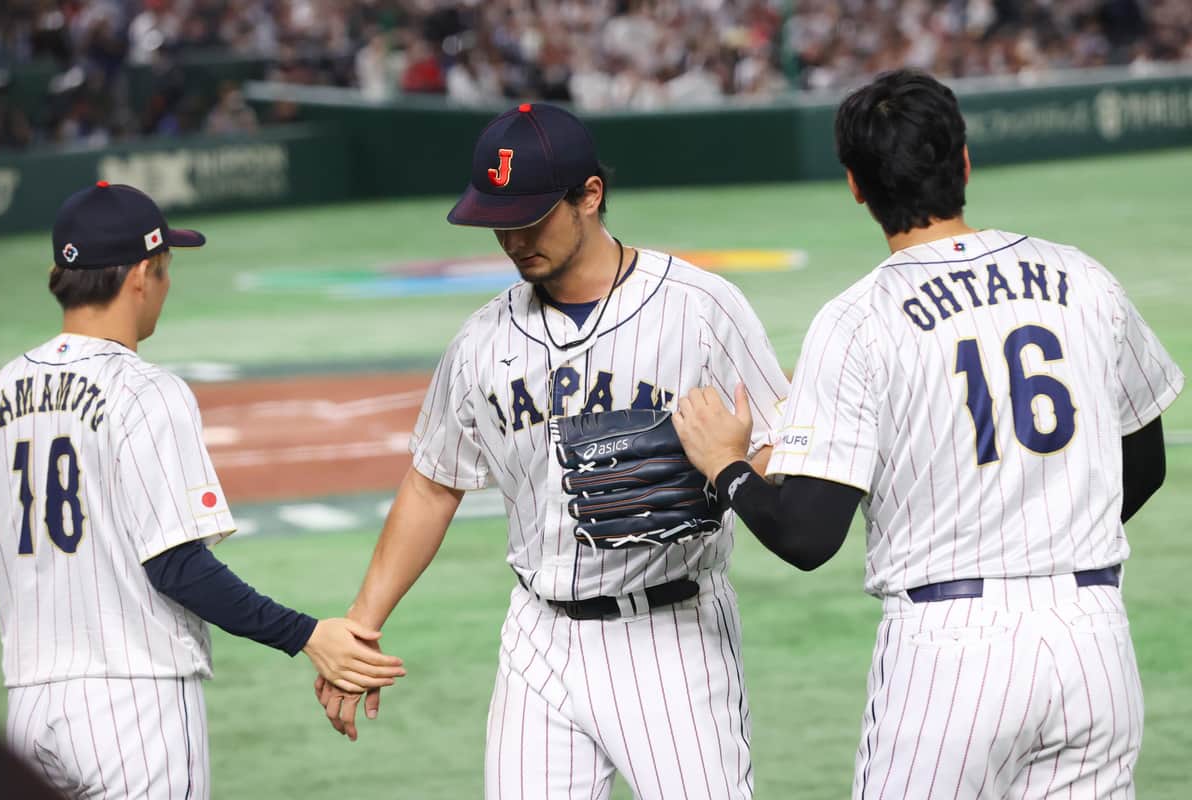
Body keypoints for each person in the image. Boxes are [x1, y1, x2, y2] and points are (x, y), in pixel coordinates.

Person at [670, 68, 1183, 798]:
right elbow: (1148, 462)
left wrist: (727, 466)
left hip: (951, 650)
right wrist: (1043, 530)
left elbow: (808, 537)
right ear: (964, 161)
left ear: (856, 185)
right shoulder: (1083, 278)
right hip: (1092, 633)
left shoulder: (860, 320)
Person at [315, 102, 789, 799]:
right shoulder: (482, 340)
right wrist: (362, 622)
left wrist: (727, 473)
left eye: (531, 216)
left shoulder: (698, 307)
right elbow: (433, 481)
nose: (512, 238)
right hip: (539, 636)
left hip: (671, 632)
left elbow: (784, 439)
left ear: (590, 196)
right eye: (498, 221)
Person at [0, 181, 406, 798]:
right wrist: (305, 635)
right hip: (133, 707)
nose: (165, 285)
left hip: (29, 708)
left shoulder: (1, 391)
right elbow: (177, 566)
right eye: (165, 269)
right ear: (140, 275)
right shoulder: (145, 391)